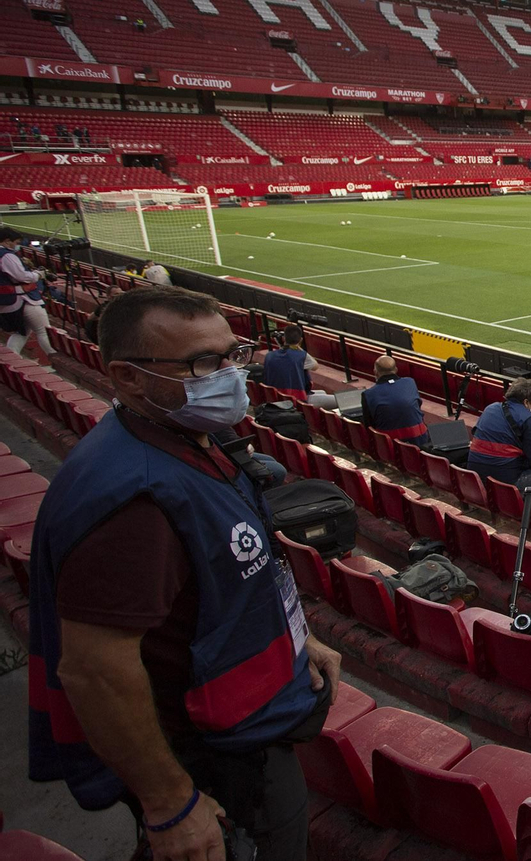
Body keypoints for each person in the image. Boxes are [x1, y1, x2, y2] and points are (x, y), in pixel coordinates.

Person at [27, 285, 341, 861]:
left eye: (232, 355)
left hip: (240, 722)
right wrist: (170, 802)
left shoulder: (187, 438)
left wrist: (302, 638)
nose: (228, 374)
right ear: (128, 377)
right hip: (212, 758)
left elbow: (233, 573)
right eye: (201, 363)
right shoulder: (135, 502)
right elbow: (94, 670)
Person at [466, 378, 531, 495]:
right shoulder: (529, 419)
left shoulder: (490, 408)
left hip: (475, 473)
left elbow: (502, 436)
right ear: (526, 402)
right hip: (502, 480)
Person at [0, 227, 56, 361]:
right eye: (16, 242)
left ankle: (12, 361)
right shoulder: (6, 255)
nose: (17, 246)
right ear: (7, 241)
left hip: (8, 300)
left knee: (22, 332)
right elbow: (21, 276)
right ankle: (56, 359)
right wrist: (38, 275)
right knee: (43, 330)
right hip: (23, 299)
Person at [260, 324, 335, 408]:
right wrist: (298, 347)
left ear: (284, 339)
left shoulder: (269, 355)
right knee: (338, 400)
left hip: (276, 397)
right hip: (297, 400)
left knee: (322, 392)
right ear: (300, 340)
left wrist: (285, 346)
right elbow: (315, 366)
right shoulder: (301, 356)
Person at [360, 355, 428, 445]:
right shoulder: (410, 382)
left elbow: (369, 426)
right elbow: (417, 407)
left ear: (375, 372)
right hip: (420, 440)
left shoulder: (368, 394)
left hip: (388, 445)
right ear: (396, 370)